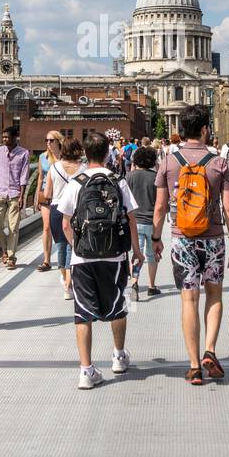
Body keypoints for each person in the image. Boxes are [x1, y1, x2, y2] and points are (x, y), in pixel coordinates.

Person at [152, 105, 229, 385]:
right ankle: (210, 351)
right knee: (214, 295)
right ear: (205, 129)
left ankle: (193, 366)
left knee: (189, 299)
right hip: (213, 237)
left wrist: (156, 240)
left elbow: (159, 207)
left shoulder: (168, 161)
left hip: (182, 238)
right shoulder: (219, 163)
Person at [56, 132, 144, 390]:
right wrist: (136, 251)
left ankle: (86, 370)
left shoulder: (77, 182)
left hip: (83, 258)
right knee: (118, 306)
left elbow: (65, 223)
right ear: (108, 153)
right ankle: (118, 356)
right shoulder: (118, 180)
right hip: (115, 255)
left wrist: (78, 248)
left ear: (86, 153)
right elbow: (130, 219)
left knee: (82, 313)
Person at [45, 136, 84, 300]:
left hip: (57, 209)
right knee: (72, 246)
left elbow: (47, 193)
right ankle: (70, 283)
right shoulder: (84, 168)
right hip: (76, 210)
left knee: (61, 245)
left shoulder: (54, 168)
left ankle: (65, 279)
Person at [0, 124, 29, 269]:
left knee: (13, 227)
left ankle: (11, 257)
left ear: (15, 137)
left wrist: (22, 196)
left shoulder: (23, 153)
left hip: (15, 194)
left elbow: (24, 175)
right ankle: (4, 249)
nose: (4, 139)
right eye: (3, 137)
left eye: (7, 137)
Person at [126, 145, 162, 298]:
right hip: (152, 222)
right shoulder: (155, 178)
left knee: (137, 253)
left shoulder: (129, 176)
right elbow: (160, 204)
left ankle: (134, 281)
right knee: (152, 255)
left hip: (134, 221)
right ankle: (151, 285)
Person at [35, 132, 63, 272]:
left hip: (62, 195)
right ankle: (46, 260)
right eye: (46, 140)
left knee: (63, 226)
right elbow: (41, 177)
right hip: (46, 195)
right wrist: (36, 196)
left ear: (58, 141)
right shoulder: (42, 157)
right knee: (46, 227)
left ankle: (64, 258)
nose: (48, 142)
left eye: (51, 140)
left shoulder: (64, 157)